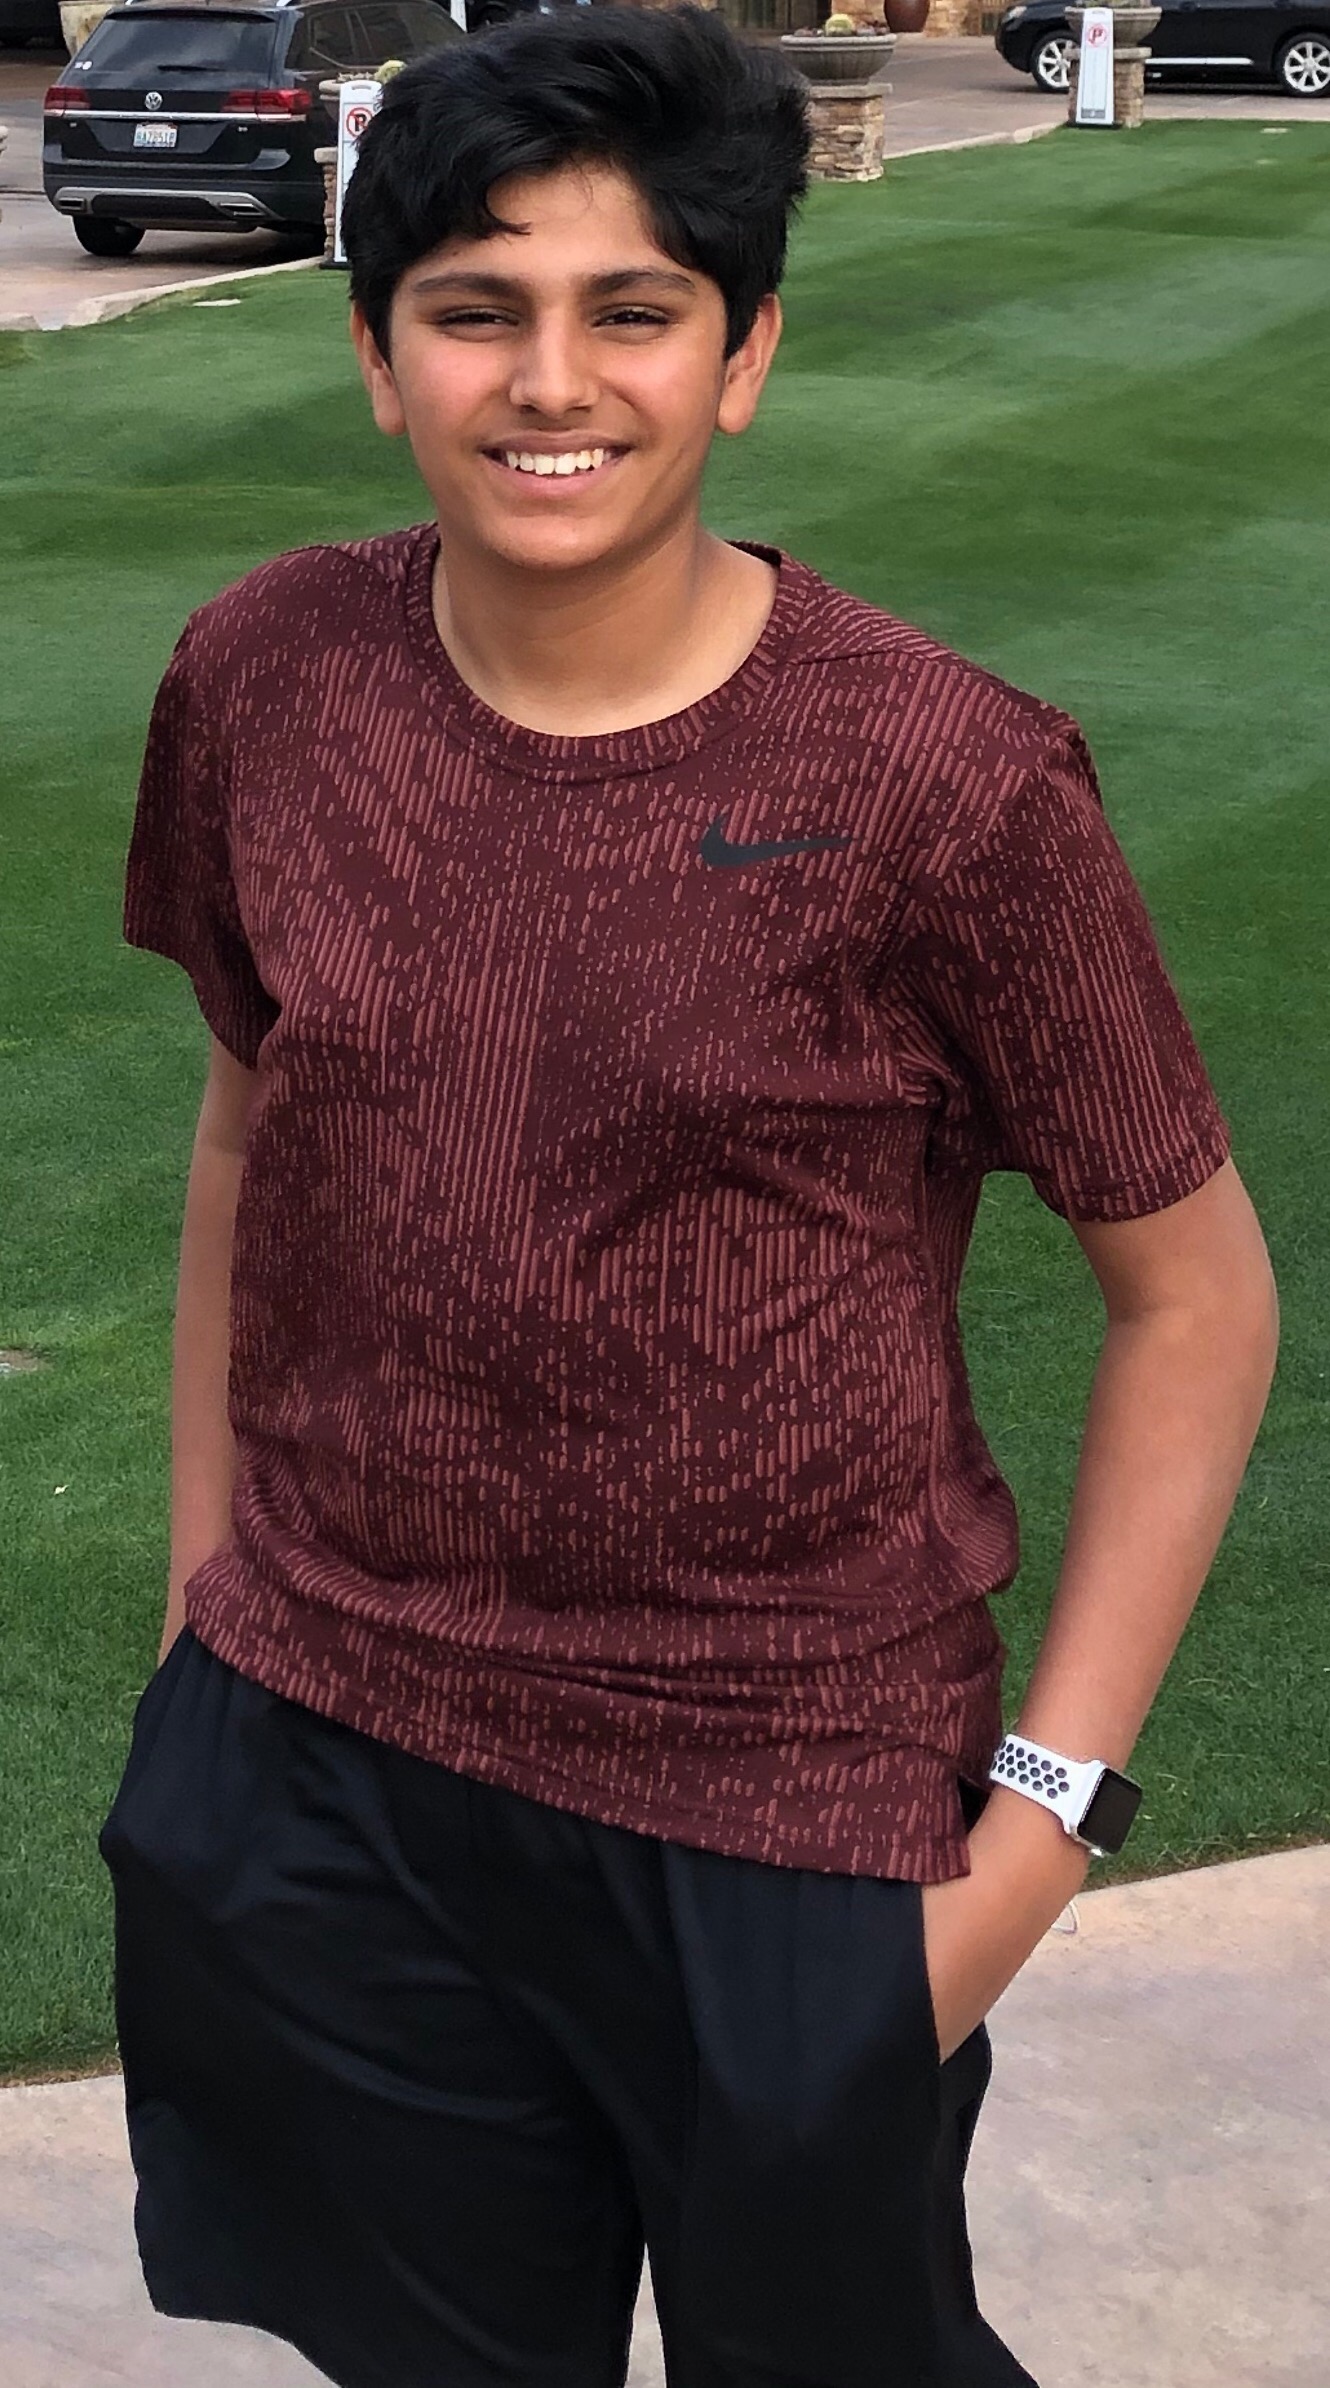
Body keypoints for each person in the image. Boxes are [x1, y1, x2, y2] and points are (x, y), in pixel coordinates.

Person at [100, 10, 1279, 2386]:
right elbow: (249, 1132)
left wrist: (1037, 1828)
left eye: (629, 310)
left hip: (786, 1815)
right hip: (323, 1768)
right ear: (376, 357)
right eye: (474, 309)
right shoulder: (265, 678)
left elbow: (1195, 1299)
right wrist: (200, 1621)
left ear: (740, 356)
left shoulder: (945, 784)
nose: (551, 382)